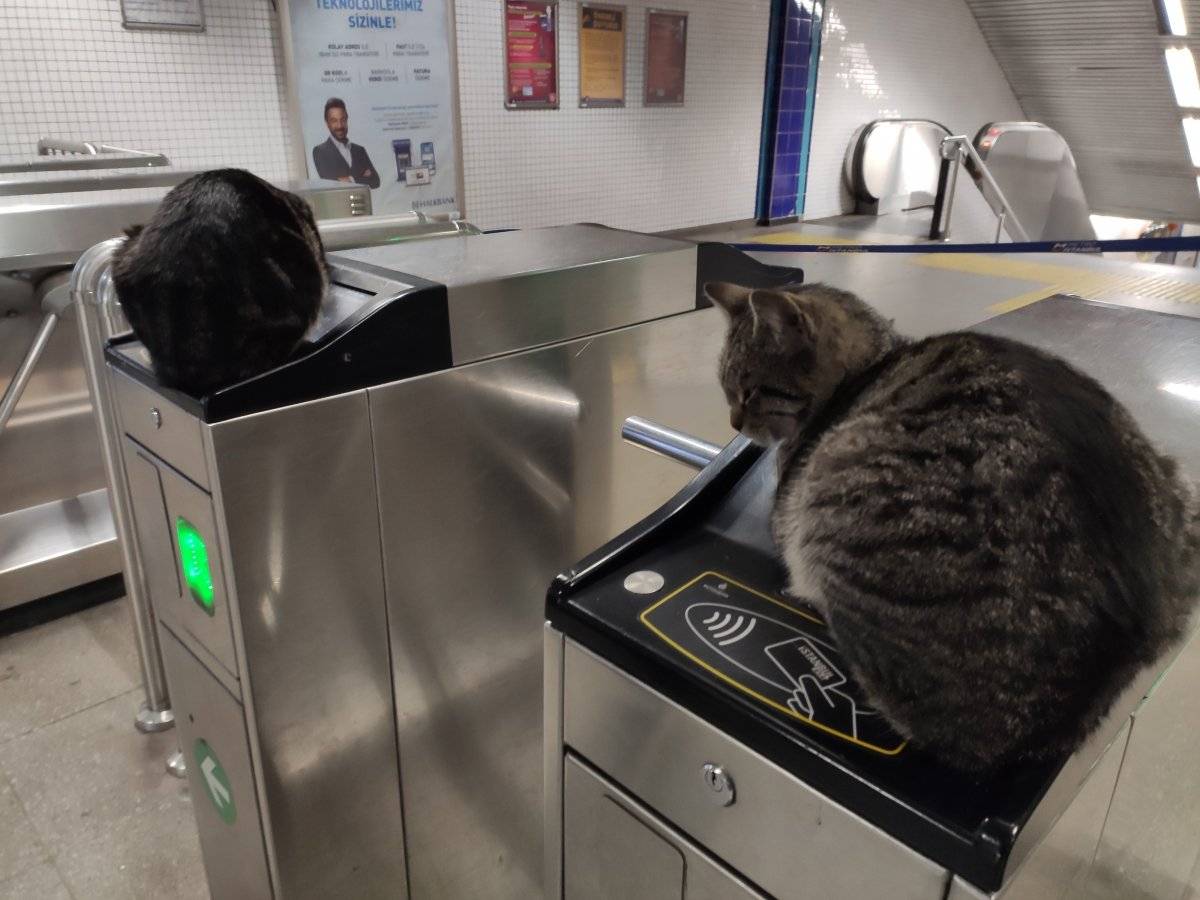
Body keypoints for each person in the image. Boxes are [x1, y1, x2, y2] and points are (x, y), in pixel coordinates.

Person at [312, 98, 380, 189]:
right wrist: (361, 176)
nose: (340, 126)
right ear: (327, 123)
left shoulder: (359, 150)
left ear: (347, 119)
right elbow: (330, 185)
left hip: (363, 202)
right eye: (334, 121)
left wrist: (348, 179)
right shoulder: (320, 151)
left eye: (343, 119)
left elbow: (375, 181)